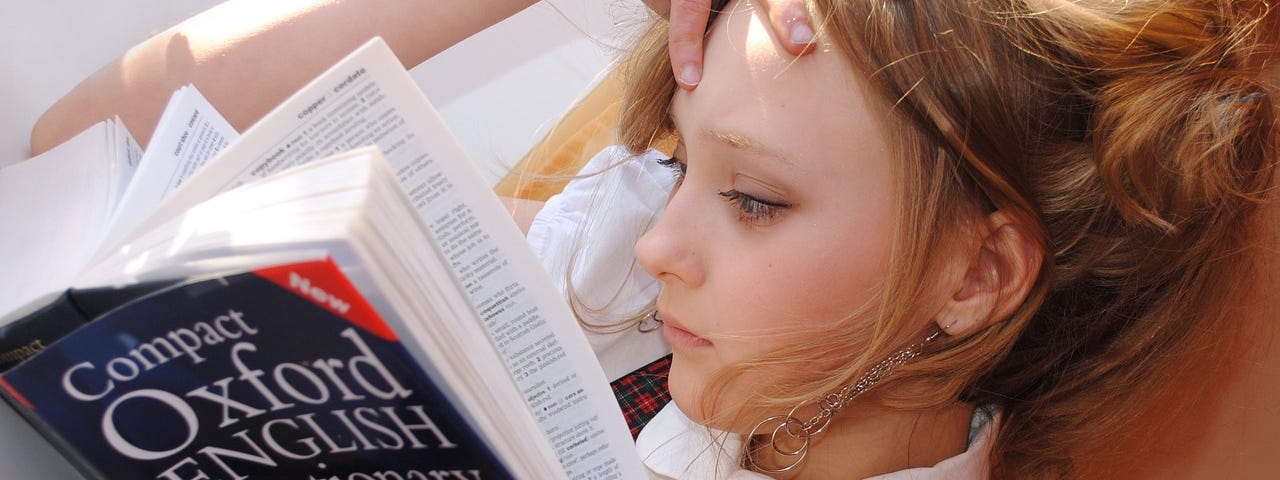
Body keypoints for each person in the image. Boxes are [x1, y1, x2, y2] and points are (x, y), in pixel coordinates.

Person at [28, 0, 1280, 478]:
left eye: (754, 200)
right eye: (685, 160)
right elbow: (73, 155)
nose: (665, 240)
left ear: (972, 274)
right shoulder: (637, 284)